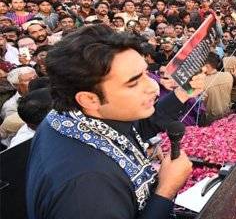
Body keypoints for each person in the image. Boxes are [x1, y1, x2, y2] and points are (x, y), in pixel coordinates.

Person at [26, 25, 206, 218]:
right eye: (133, 82)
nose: (153, 87)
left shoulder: (72, 114)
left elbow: (137, 127)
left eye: (145, 73)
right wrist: (166, 190)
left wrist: (182, 92)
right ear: (89, 99)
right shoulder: (87, 187)